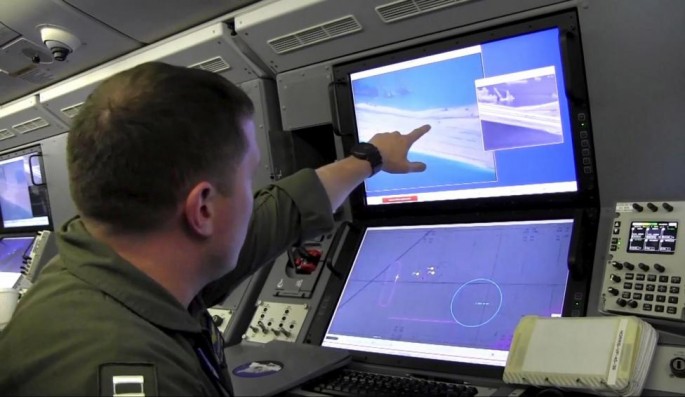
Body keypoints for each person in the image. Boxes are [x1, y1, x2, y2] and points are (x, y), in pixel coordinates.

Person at [0, 62, 431, 396]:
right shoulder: (130, 370)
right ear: (202, 209)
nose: (253, 196)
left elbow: (278, 214)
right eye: (248, 179)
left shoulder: (116, 265)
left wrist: (370, 158)